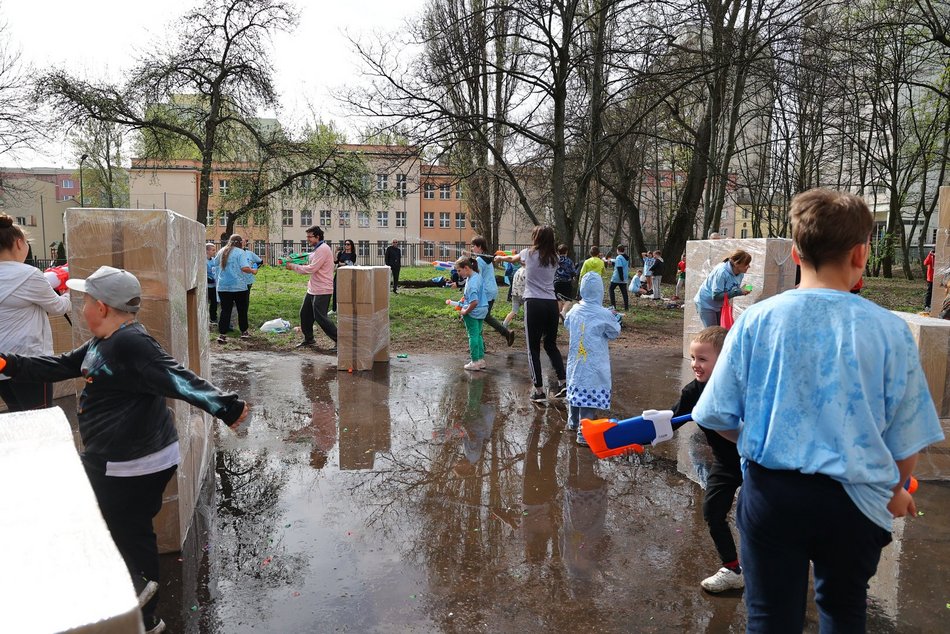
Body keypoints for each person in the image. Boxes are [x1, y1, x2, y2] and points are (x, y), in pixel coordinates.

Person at [693, 188, 944, 632]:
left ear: (794, 252)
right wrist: (895, 488)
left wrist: (757, 438)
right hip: (854, 502)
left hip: (772, 498)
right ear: (861, 253)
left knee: (770, 617)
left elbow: (714, 414)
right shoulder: (889, 330)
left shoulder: (755, 320)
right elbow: (907, 437)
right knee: (845, 611)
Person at [0, 265, 250, 634]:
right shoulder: (104, 341)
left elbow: (175, 376)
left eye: (86, 301)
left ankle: (145, 618)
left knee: (124, 534)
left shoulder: (132, 344)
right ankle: (135, 607)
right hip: (118, 457)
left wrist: (225, 406)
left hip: (132, 463)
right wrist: (8, 363)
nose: (81, 308)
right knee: (121, 529)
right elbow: (63, 365)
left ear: (101, 307)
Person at [672, 326, 743, 593]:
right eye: (693, 358)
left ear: (724, 360)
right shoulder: (693, 392)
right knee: (713, 513)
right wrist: (633, 437)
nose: (695, 365)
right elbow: (672, 420)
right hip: (725, 462)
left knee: (761, 518)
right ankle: (733, 569)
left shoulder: (740, 386)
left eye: (702, 359)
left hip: (755, 461)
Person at [0, 214, 72, 411]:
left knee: (20, 417)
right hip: (30, 364)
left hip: (3, 365)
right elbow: (58, 307)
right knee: (41, 419)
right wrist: (69, 292)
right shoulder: (29, 275)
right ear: (19, 243)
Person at [495, 225, 567, 402]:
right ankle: (564, 383)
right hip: (551, 304)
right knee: (550, 344)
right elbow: (531, 263)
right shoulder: (555, 258)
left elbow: (512, 259)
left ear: (536, 237)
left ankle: (539, 390)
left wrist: (499, 258)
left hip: (533, 303)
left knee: (533, 348)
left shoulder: (528, 253)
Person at [565, 271, 621, 445]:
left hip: (576, 361)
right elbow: (614, 332)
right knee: (589, 396)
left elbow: (567, 323)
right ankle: (584, 433)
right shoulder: (604, 314)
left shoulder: (574, 310)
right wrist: (615, 318)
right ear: (600, 292)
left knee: (575, 391)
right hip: (594, 363)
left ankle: (572, 422)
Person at [286, 226, 337, 350]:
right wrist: (294, 258)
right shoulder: (317, 249)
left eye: (310, 237)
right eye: (307, 236)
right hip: (313, 288)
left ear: (317, 237)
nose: (307, 239)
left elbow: (311, 268)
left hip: (323, 289)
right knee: (305, 314)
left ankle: (340, 340)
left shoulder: (323, 249)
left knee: (320, 317)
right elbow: (308, 257)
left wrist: (293, 266)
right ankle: (309, 339)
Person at [470, 236, 515, 347]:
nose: (471, 248)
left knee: (479, 316)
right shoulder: (486, 258)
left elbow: (477, 277)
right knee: (484, 315)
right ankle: (504, 334)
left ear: (479, 247)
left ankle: (484, 343)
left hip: (486, 291)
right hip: (491, 290)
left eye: (473, 246)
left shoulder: (480, 260)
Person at [693, 249, 752, 328]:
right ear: (736, 263)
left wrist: (742, 290)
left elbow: (731, 290)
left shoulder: (740, 273)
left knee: (722, 331)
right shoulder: (722, 272)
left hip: (720, 304)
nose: (749, 266)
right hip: (706, 303)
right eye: (746, 264)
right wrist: (738, 292)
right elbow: (716, 296)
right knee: (713, 333)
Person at [213, 235, 256, 343]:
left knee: (225, 310)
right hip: (239, 286)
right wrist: (253, 271)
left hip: (223, 286)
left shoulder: (221, 251)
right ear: (239, 242)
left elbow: (215, 264)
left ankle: (222, 334)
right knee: (242, 309)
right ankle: (244, 332)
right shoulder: (240, 252)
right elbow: (244, 268)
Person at [453, 256, 489, 371]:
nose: (458, 273)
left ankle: (474, 361)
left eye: (459, 270)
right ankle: (481, 360)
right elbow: (471, 297)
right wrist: (463, 300)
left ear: (466, 268)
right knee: (478, 334)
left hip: (474, 311)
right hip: (483, 309)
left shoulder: (472, 282)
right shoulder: (476, 276)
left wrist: (464, 311)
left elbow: (474, 302)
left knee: (472, 335)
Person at [331, 239, 357, 314]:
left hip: (347, 274)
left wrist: (341, 263)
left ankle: (343, 308)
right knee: (335, 290)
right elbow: (335, 261)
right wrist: (335, 252)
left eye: (348, 244)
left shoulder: (353, 255)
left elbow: (351, 263)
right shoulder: (341, 253)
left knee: (345, 291)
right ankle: (334, 309)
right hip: (339, 273)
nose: (346, 245)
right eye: (345, 244)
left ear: (351, 245)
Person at [555, 243, 577, 318]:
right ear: (566, 252)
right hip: (566, 282)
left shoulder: (555, 260)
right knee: (568, 299)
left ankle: (559, 318)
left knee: (558, 300)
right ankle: (564, 311)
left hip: (557, 282)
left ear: (558, 252)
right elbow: (573, 272)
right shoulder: (569, 261)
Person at [609, 245, 630, 311]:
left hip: (617, 277)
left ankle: (613, 306)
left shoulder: (619, 257)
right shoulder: (626, 257)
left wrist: (621, 278)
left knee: (611, 289)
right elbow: (619, 264)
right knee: (624, 292)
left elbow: (619, 267)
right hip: (624, 277)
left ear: (618, 250)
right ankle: (626, 307)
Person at [205, 243, 218, 325]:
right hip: (207, 287)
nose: (214, 251)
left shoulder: (214, 260)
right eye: (213, 250)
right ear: (207, 251)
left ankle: (213, 318)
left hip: (214, 286)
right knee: (205, 303)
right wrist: (208, 279)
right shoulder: (204, 261)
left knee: (214, 303)